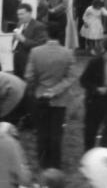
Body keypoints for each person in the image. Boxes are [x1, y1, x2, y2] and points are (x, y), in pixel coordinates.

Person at [25, 23, 77, 169]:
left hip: (40, 96)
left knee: (42, 131)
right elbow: (71, 77)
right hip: (59, 100)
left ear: (47, 34)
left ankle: (43, 162)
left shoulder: (35, 52)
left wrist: (37, 88)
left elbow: (29, 76)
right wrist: (55, 90)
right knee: (56, 132)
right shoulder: (68, 53)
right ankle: (55, 164)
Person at [11, 3, 47, 78]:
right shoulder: (19, 24)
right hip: (17, 60)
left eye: (22, 14)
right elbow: (16, 39)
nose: (19, 17)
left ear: (30, 13)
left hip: (29, 62)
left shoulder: (38, 26)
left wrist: (24, 40)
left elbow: (40, 45)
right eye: (18, 14)